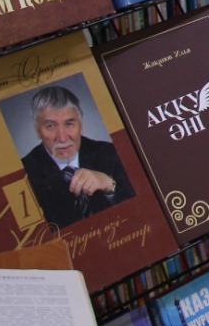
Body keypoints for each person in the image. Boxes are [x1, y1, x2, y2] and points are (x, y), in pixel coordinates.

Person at [18, 85, 134, 230]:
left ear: (81, 125)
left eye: (69, 124)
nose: (62, 138)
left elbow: (141, 209)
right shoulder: (24, 174)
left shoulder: (110, 151)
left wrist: (110, 186)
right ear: (38, 130)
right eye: (50, 126)